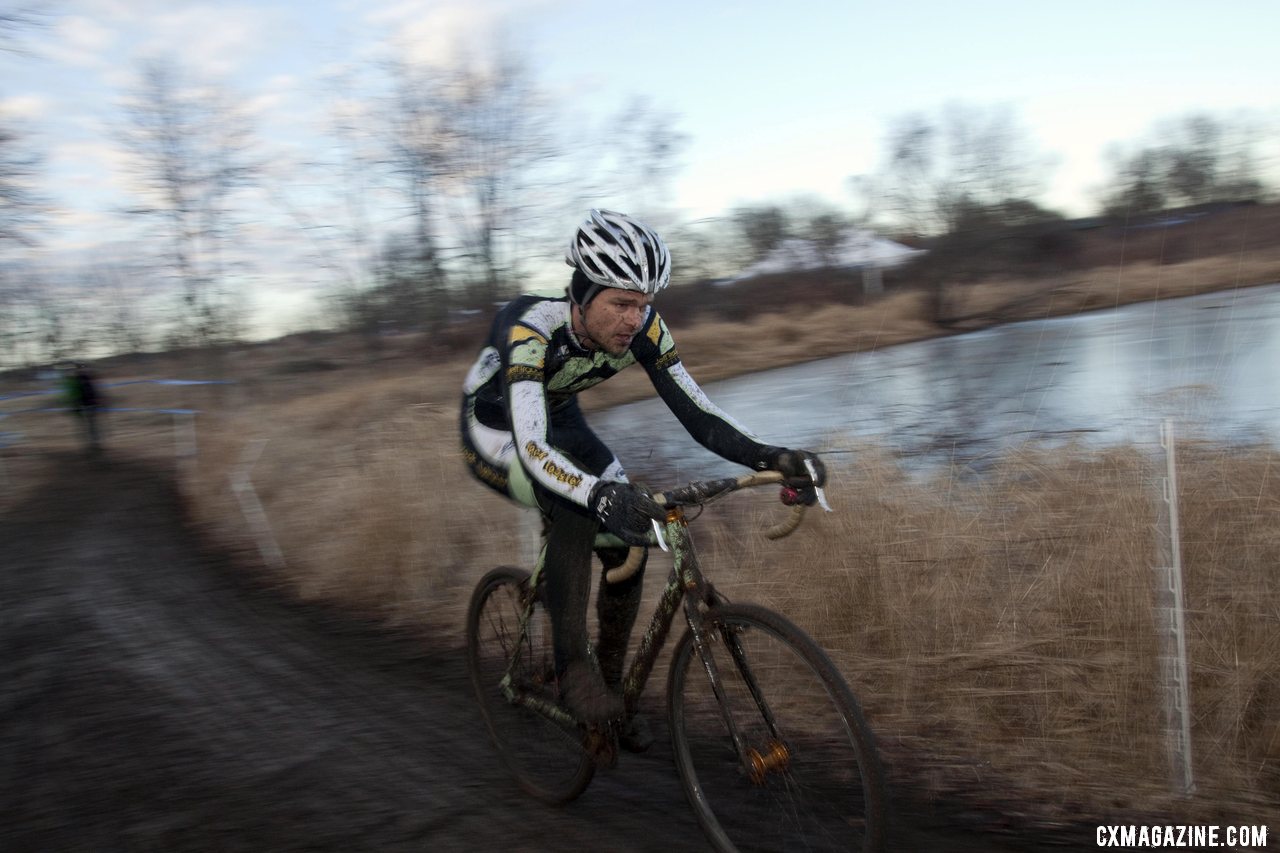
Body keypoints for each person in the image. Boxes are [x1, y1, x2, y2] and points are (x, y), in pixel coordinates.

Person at [459, 209, 825, 750]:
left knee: (632, 538)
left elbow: (700, 415)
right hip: (496, 429)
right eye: (621, 303)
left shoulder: (646, 332)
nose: (635, 319)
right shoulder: (531, 329)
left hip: (560, 421)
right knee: (578, 506)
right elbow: (533, 448)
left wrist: (772, 457)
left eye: (645, 303)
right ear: (581, 296)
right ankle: (574, 671)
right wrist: (595, 493)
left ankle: (609, 692)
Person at [62, 362, 103, 454]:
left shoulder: (86, 378)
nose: (82, 370)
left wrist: (96, 399)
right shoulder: (77, 379)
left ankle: (94, 443)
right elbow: (74, 392)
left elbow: (93, 390)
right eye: (80, 368)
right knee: (87, 425)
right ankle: (89, 443)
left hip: (89, 404)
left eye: (82, 368)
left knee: (91, 425)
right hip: (82, 404)